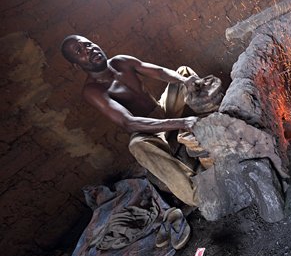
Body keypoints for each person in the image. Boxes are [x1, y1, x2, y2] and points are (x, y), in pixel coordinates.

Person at [61, 34, 202, 207]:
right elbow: (129, 122)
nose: (89, 50)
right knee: (136, 145)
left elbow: (159, 72)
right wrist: (182, 123)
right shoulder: (93, 90)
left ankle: (217, 117)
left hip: (162, 110)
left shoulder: (121, 61)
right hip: (146, 129)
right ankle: (198, 195)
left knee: (183, 73)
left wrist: (184, 81)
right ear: (77, 65)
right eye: (80, 51)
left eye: (88, 44)